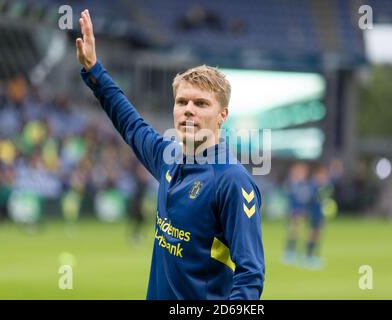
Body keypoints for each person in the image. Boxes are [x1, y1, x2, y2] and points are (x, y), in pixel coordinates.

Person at [76, 9, 264, 299]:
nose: (188, 109)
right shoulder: (168, 157)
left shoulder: (232, 181)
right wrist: (93, 70)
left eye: (201, 103)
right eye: (182, 101)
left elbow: (250, 278)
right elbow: (130, 124)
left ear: (222, 115)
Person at [283, 162, 313, 265]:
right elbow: (293, 197)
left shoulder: (305, 183)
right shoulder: (293, 183)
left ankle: (294, 251)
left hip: (302, 210)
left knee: (300, 231)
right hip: (295, 210)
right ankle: (289, 252)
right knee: (294, 231)